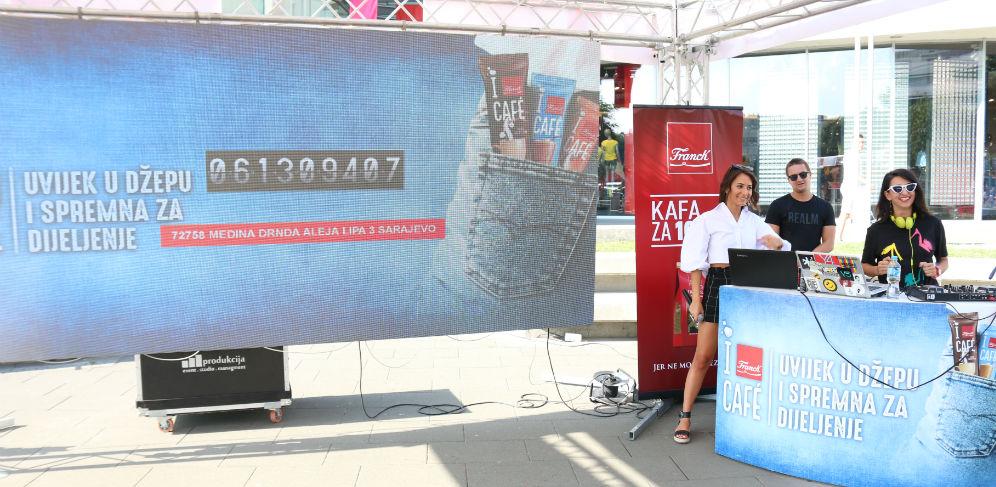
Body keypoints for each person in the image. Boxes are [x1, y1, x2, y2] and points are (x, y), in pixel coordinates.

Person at [675, 164, 790, 444]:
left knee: (747, 355)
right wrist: (696, 300)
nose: (745, 192)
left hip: (747, 284)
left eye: (749, 188)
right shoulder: (707, 220)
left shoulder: (754, 221)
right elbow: (694, 263)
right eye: (740, 186)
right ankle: (685, 416)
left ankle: (746, 416)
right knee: (703, 356)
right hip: (717, 283)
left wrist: (776, 244)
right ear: (728, 187)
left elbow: (780, 246)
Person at [860, 168, 948, 288]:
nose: (905, 192)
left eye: (910, 187)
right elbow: (865, 265)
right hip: (891, 294)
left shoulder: (933, 224)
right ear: (887, 195)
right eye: (897, 189)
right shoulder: (876, 230)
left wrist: (937, 269)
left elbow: (943, 260)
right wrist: (877, 270)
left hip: (927, 294)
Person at [766, 158, 836, 252]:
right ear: (789, 180)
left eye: (803, 175)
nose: (799, 179)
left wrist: (807, 258)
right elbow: (771, 241)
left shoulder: (826, 207)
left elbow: (829, 243)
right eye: (793, 177)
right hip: (785, 260)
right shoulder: (777, 206)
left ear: (810, 175)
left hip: (812, 260)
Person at [839, 134, 870, 242]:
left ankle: (841, 236)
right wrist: (868, 183)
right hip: (849, 188)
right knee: (845, 212)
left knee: (849, 213)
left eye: (862, 142)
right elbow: (855, 175)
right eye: (860, 142)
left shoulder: (853, 155)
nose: (862, 144)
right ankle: (838, 237)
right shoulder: (852, 155)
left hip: (852, 188)